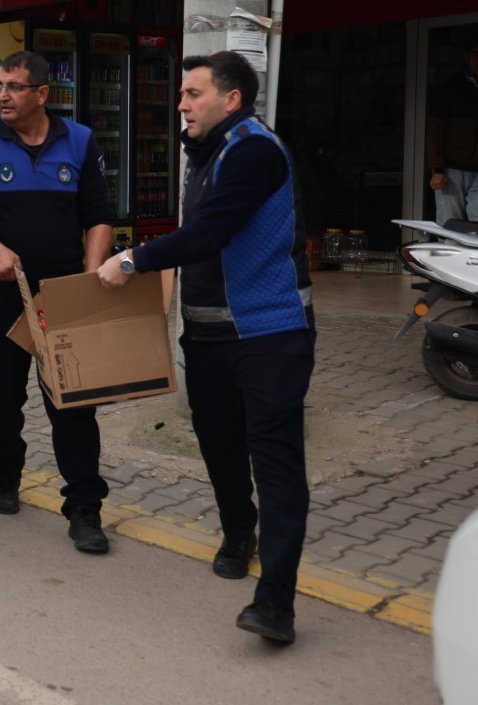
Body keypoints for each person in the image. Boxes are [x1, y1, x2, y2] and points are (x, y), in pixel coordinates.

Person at [96, 51, 315, 644]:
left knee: (275, 459)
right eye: (182, 95)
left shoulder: (253, 151)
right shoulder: (206, 153)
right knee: (218, 443)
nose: (182, 104)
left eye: (193, 94)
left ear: (231, 99)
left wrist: (133, 258)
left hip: (270, 334)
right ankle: (237, 530)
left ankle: (275, 604)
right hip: (211, 334)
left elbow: (210, 233)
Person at [0, 51, 114, 554]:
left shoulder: (79, 142)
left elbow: (99, 215)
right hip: (0, 296)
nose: (2, 96)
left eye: (15, 87)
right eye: (0, 86)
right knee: (0, 400)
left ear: (42, 94)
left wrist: (89, 277)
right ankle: (6, 469)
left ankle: (84, 508)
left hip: (60, 299)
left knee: (73, 406)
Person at [426, 34, 478, 224]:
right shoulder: (451, 87)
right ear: (466, 57)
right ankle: (448, 255)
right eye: (475, 54)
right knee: (449, 224)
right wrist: (436, 169)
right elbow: (435, 131)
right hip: (451, 167)